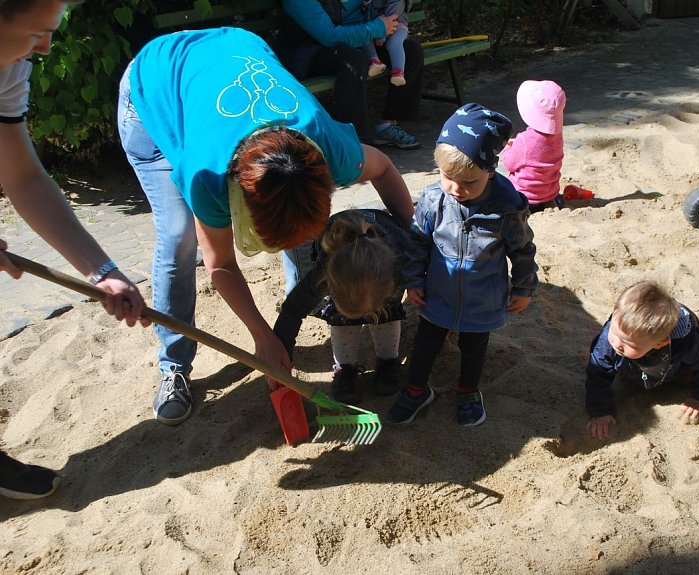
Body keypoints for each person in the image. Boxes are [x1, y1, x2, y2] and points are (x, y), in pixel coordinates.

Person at [118, 27, 414, 426]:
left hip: (232, 47)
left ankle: (296, 308)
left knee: (297, 228)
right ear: (240, 205)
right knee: (178, 236)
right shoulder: (207, 177)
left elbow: (385, 167)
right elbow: (220, 263)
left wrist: (414, 245)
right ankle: (174, 366)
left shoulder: (331, 148)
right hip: (157, 84)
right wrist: (261, 336)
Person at [0, 0, 148, 500]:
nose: (44, 47)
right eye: (34, 33)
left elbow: (22, 177)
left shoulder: (9, 65)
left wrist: (101, 271)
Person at [388, 103, 539, 427]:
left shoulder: (507, 207)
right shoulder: (434, 199)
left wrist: (524, 287)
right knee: (425, 343)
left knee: (474, 347)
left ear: (490, 170)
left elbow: (523, 249)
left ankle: (468, 391)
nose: (457, 189)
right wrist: (413, 279)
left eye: (469, 182)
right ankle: (416, 390)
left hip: (482, 295)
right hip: (438, 291)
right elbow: (417, 242)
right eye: (447, 177)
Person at [273, 209, 409, 404]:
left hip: (388, 246)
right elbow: (293, 309)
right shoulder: (327, 265)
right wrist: (281, 354)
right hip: (341, 242)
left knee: (388, 314)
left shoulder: (402, 264)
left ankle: (388, 362)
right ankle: (344, 368)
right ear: (330, 283)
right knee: (342, 320)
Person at [277, 0, 424, 149]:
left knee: (412, 52)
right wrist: (378, 27)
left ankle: (387, 126)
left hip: (347, 39)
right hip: (309, 52)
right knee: (354, 59)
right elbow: (329, 36)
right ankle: (357, 141)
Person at [585, 281, 699, 440]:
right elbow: (597, 373)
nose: (617, 344)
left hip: (673, 363)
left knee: (688, 377)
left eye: (628, 343)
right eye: (614, 332)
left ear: (660, 344)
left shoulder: (688, 344)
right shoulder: (611, 340)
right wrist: (600, 412)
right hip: (639, 360)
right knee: (610, 358)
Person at [501, 80, 567, 213]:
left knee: (497, 184)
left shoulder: (524, 139)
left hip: (524, 196)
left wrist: (509, 148)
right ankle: (550, 203)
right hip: (549, 192)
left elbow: (509, 164)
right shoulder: (557, 135)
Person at [359, 0, 412, 87]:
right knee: (363, 35)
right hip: (375, 25)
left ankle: (398, 71)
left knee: (393, 43)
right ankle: (374, 60)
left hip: (396, 25)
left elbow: (393, 14)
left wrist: (382, 34)